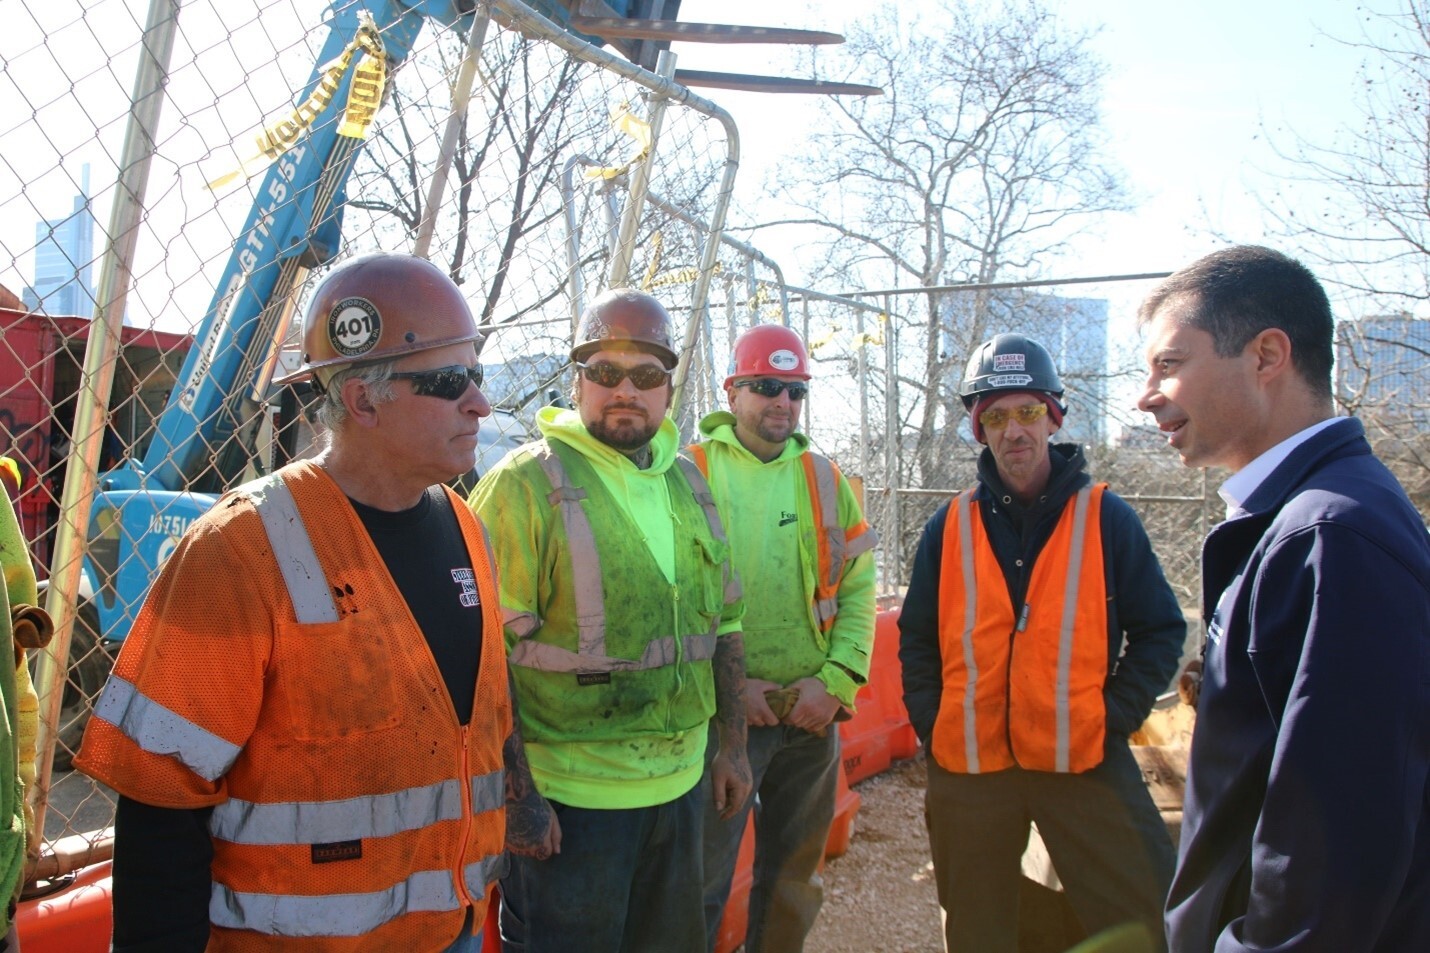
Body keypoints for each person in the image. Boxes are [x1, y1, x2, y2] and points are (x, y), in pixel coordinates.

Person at [75, 253, 554, 952]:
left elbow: (479, 707)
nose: (480, 402)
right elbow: (160, 801)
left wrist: (524, 797)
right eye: (451, 382)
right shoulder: (238, 549)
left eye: (476, 376)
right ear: (362, 399)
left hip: (449, 931)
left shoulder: (466, 528)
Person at [1137, 245, 1430, 952]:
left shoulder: (1334, 536)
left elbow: (1338, 840)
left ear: (1267, 354)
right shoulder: (1301, 522)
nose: (1145, 395)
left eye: (1169, 365)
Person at [468, 288, 751, 953]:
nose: (626, 389)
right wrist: (518, 795)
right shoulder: (524, 486)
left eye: (647, 374)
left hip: (679, 790)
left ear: (668, 386)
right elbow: (484, 654)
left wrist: (732, 743)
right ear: (578, 380)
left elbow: (726, 623)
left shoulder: (689, 483)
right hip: (572, 805)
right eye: (605, 371)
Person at [899, 332, 1184, 953]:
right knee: (978, 930)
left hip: (1081, 759)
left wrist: (1112, 717)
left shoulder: (1107, 519)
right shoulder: (948, 526)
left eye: (1027, 412)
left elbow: (1161, 630)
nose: (1013, 430)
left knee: (1140, 917)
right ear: (979, 430)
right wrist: (933, 721)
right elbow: (916, 638)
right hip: (970, 768)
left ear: (1052, 416)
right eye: (995, 417)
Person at [693, 325, 878, 952]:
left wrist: (836, 682)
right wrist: (729, 690)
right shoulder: (687, 473)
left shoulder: (824, 479)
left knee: (794, 877)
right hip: (722, 721)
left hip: (809, 715)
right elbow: (671, 600)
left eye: (795, 390)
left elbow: (856, 590)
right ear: (733, 391)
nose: (782, 403)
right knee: (700, 879)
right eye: (767, 387)